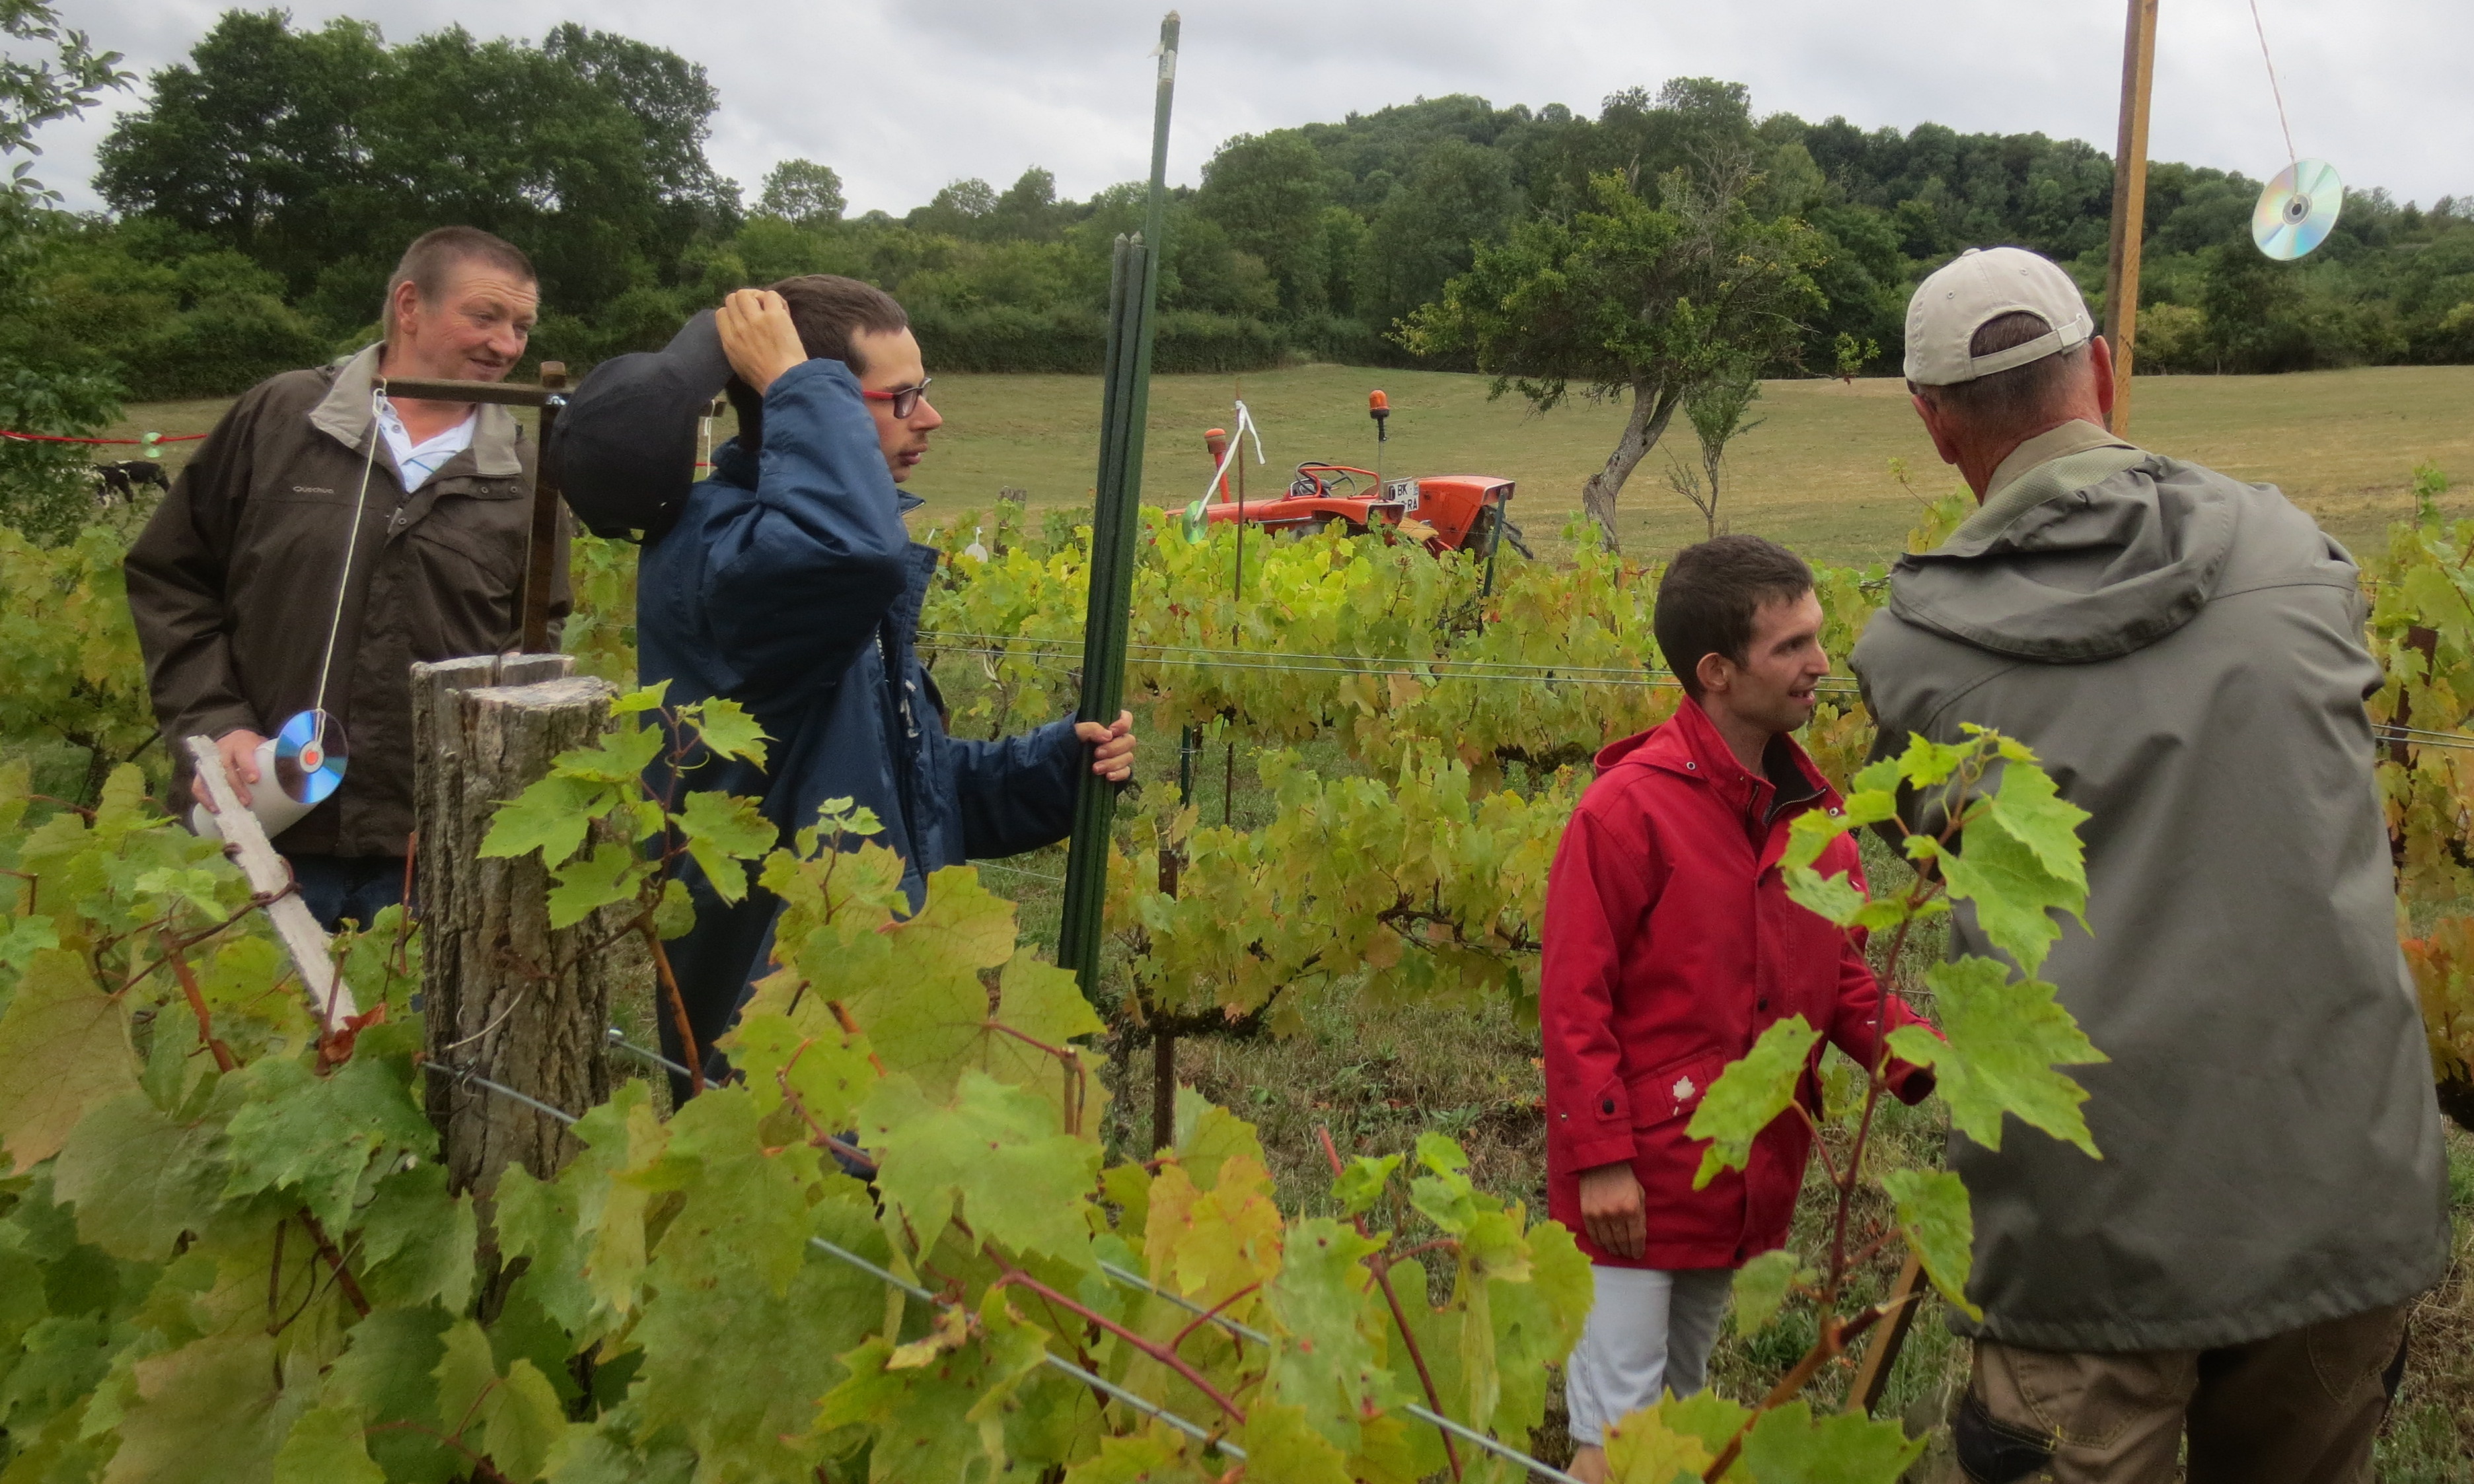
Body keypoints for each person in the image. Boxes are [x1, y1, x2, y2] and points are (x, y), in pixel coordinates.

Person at [1851, 246, 2452, 1483]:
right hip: (2339, 1182)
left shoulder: (1913, 650)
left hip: (2088, 1230)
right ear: (2107, 372)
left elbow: (1932, 861)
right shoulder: (2298, 553)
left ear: (1931, 421)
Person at [632, 276, 1134, 1092]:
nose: (930, 419)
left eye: (924, 392)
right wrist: (797, 381)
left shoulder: (815, 563)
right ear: (808, 405)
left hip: (864, 995)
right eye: (901, 398)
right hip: (782, 1029)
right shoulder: (729, 559)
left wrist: (1052, 767)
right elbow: (850, 550)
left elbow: (899, 788)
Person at [1541, 535, 1934, 1483]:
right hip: (1633, 1182)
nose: (1818, 665)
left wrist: (1931, 1057)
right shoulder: (1624, 811)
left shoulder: (1814, 823)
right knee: (1621, 1435)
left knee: (1681, 1411)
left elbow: (1833, 973)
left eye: (1817, 638)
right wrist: (1598, 1161)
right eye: (1790, 646)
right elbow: (1572, 1001)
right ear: (1716, 672)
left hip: (1741, 1169)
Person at [126, 226, 560, 932]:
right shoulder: (282, 418)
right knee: (259, 1033)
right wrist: (214, 724)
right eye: (484, 317)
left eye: (521, 327)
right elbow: (173, 577)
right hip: (261, 813)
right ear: (410, 306)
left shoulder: (522, 471)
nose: (506, 345)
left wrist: (483, 797)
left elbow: (533, 644)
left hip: (429, 849)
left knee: (409, 1039)